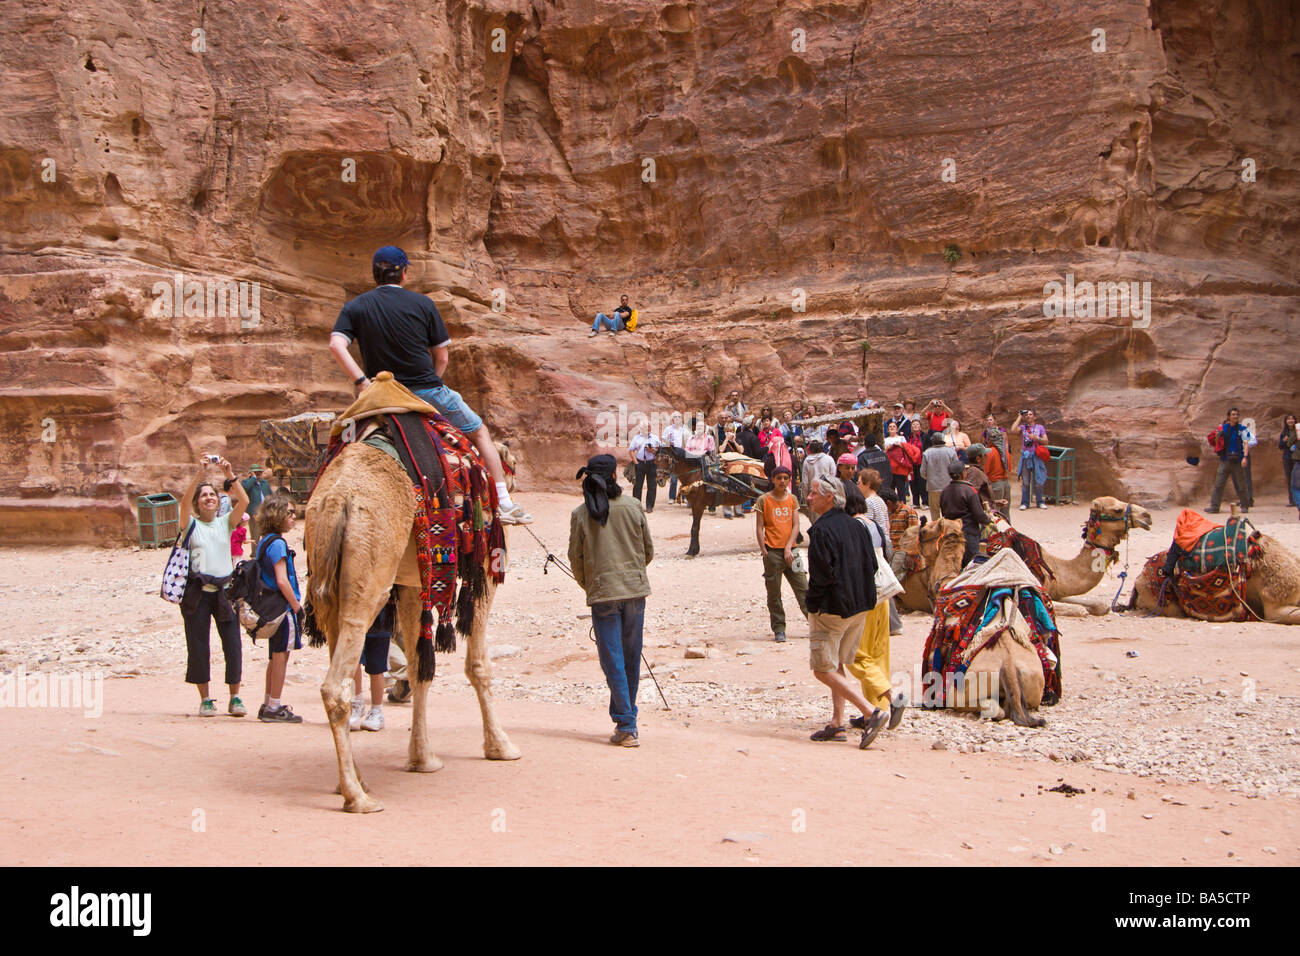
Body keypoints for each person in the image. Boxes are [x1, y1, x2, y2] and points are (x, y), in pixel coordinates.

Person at [329, 245, 532, 524]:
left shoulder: (354, 306)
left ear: (375, 274)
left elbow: (336, 344)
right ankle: (505, 503)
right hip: (426, 392)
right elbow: (442, 356)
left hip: (380, 395)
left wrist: (363, 382)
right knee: (481, 432)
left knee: (338, 441)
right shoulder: (423, 304)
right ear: (404, 274)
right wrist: (432, 381)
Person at [568, 455, 654, 747]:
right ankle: (626, 720)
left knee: (613, 660)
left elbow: (576, 561)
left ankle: (627, 724)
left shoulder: (581, 514)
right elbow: (648, 551)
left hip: (603, 594)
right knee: (631, 657)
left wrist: (590, 585)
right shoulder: (633, 506)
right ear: (615, 477)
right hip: (634, 591)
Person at [804, 476, 890, 748]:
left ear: (829, 497)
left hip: (832, 609)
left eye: (814, 493)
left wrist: (812, 605)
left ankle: (870, 711)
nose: (808, 498)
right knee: (838, 663)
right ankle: (836, 723)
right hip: (860, 606)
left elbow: (821, 576)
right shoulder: (859, 526)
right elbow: (873, 566)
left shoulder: (820, 531)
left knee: (822, 669)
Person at [178, 457, 249, 718]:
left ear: (218, 501)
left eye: (212, 495)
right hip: (197, 595)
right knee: (198, 646)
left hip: (224, 592)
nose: (209, 498)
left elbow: (245, 502)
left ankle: (235, 697)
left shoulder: (225, 523)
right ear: (198, 502)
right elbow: (183, 503)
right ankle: (206, 699)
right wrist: (199, 474)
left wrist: (229, 474)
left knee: (232, 645)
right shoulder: (191, 525)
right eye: (204, 495)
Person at [254, 494, 305, 723]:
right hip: (282, 609)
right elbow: (282, 580)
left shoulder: (265, 540)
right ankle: (274, 705)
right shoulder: (278, 544)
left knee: (274, 657)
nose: (293, 518)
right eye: (289, 513)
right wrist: (297, 607)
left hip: (270, 607)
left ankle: (268, 702)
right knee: (281, 656)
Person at [754, 468, 808, 642]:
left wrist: (788, 547)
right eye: (779, 478)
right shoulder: (764, 500)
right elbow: (759, 527)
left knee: (804, 590)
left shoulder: (792, 499)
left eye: (786, 478)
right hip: (772, 552)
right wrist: (764, 551)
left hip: (792, 552)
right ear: (773, 479)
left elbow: (796, 525)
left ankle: (816, 625)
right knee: (774, 594)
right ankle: (779, 628)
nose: (782, 481)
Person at [349, 598, 393, 732]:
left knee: (376, 666)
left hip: (380, 614)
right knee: (353, 660)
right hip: (355, 613)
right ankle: (355, 704)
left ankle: (376, 710)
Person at [939, 459, 993, 567]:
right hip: (968, 533)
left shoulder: (945, 491)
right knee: (973, 564)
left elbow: (944, 513)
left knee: (955, 565)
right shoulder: (969, 490)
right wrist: (988, 519)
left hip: (951, 532)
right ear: (963, 473)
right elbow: (979, 515)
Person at [1207, 407, 1250, 514]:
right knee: (1219, 484)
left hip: (1237, 460)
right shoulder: (1222, 428)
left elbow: (1246, 443)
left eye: (1237, 414)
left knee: (1240, 484)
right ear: (1228, 417)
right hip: (1225, 459)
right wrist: (1217, 436)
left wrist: (1245, 457)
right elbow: (1216, 442)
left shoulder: (1242, 429)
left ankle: (1245, 505)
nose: (1235, 416)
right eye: (1233, 415)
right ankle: (1214, 506)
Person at [1012, 409, 1049, 511]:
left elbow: (1046, 441)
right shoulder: (1023, 428)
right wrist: (1019, 416)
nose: (1028, 416)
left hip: (1036, 456)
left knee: (1038, 481)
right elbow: (1013, 429)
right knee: (1026, 482)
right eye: (1027, 414)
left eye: (1030, 414)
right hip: (1025, 456)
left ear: (1035, 417)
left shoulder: (1040, 427)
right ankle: (1025, 502)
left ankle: (1040, 501)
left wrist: (1037, 438)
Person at [920, 432, 959, 520]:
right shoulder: (951, 451)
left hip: (933, 487)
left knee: (935, 514)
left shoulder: (927, 453)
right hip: (948, 487)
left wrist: (930, 478)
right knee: (949, 513)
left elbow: (922, 472)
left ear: (932, 441)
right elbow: (957, 469)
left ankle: (937, 533)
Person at [967, 442, 1009, 517]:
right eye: (985, 455)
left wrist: (995, 502)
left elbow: (981, 496)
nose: (987, 457)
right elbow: (972, 497)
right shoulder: (975, 472)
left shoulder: (977, 471)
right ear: (978, 459)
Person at [629, 420, 661, 513]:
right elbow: (631, 451)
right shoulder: (636, 438)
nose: (647, 429)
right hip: (640, 463)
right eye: (644, 428)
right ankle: (636, 506)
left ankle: (649, 506)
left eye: (648, 427)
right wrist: (636, 463)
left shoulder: (655, 438)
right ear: (641, 429)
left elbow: (660, 451)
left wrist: (652, 451)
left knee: (652, 485)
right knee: (637, 485)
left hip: (652, 463)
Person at [237, 463, 273, 539]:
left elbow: (271, 495)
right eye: (255, 472)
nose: (258, 474)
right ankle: (254, 551)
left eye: (259, 472)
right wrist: (253, 478)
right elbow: (245, 490)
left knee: (267, 534)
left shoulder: (265, 483)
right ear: (251, 473)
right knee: (255, 535)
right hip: (254, 513)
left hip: (265, 512)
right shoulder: (246, 482)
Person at [882, 419, 916, 503]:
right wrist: (888, 448)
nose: (892, 428)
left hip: (900, 468)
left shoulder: (902, 438)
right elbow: (883, 453)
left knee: (901, 489)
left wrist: (900, 445)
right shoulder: (885, 440)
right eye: (890, 427)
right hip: (890, 468)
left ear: (897, 429)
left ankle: (902, 505)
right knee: (891, 489)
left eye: (894, 426)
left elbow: (906, 449)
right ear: (888, 429)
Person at [662, 411, 688, 504]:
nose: (677, 418)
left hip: (683, 455)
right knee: (674, 477)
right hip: (673, 455)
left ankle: (685, 497)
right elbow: (664, 442)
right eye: (675, 417)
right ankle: (672, 497)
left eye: (679, 417)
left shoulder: (685, 429)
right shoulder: (668, 429)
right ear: (672, 419)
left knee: (685, 477)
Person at [906, 421, 927, 508]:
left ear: (920, 427)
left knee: (922, 483)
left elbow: (927, 448)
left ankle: (925, 502)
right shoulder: (908, 437)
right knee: (913, 483)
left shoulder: (924, 437)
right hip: (911, 464)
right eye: (913, 424)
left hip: (921, 463)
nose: (915, 425)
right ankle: (916, 502)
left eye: (917, 424)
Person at [1280, 413, 1299, 500]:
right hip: (1287, 457)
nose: (1290, 421)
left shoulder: (1298, 431)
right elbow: (1280, 446)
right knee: (1289, 479)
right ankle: (1292, 499)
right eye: (1288, 419)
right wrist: (1284, 441)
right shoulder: (1284, 433)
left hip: (1297, 458)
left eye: (1292, 419)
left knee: (1297, 478)